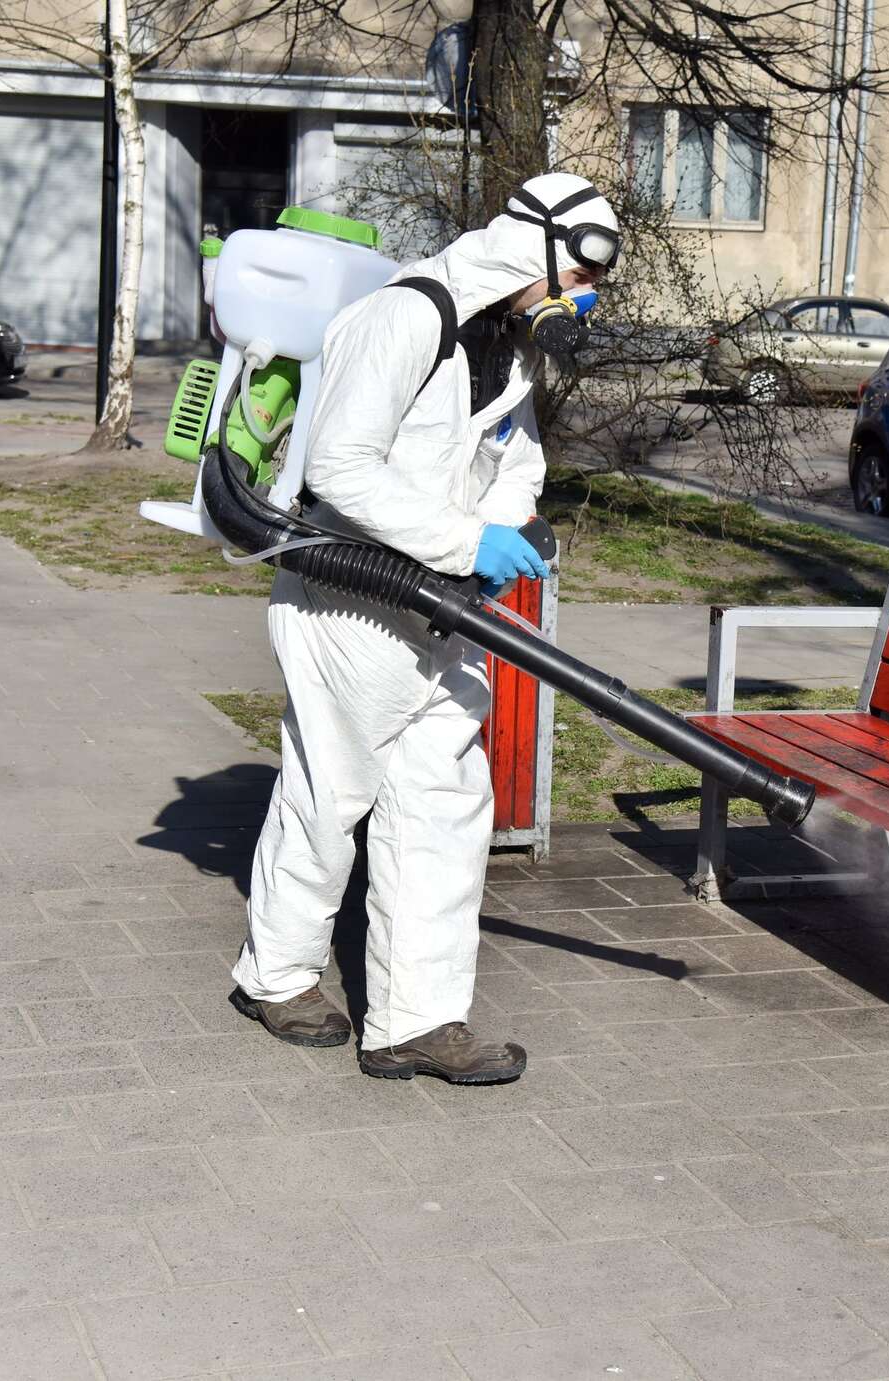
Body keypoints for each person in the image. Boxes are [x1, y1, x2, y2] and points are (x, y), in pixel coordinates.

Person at [230, 173, 620, 1084]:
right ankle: (276, 974)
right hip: (347, 599)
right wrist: (464, 541)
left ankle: (417, 1018)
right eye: (580, 275)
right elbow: (340, 466)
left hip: (443, 607)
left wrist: (509, 529)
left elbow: (516, 460)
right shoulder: (404, 316)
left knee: (445, 806)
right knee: (331, 793)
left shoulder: (511, 346)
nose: (584, 300)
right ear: (533, 247)